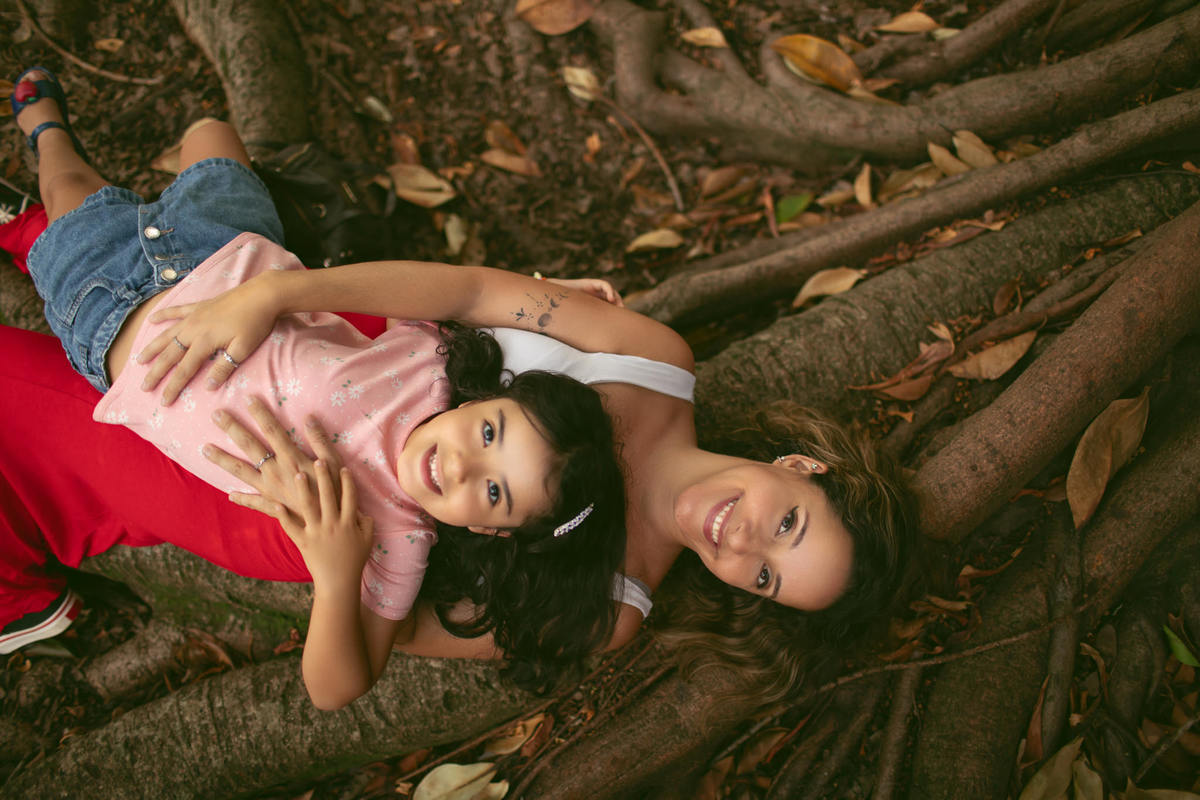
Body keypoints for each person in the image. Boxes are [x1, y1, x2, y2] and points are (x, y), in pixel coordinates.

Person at [2, 65, 916, 705]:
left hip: (284, 497)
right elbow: (474, 293)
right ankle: (75, 216)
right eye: (788, 522)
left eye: (763, 577)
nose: (744, 540)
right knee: (182, 202)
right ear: (800, 463)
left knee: (48, 398)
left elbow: (385, 638)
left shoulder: (608, 613)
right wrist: (277, 293)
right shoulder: (653, 363)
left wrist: (331, 559)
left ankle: (54, 216)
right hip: (325, 326)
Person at [3, 67, 627, 709]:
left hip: (110, 314)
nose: (463, 463)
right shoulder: (431, 362)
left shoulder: (397, 539)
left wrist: (334, 577)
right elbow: (457, 293)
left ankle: (45, 129)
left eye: (495, 493)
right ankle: (174, 147)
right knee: (209, 133)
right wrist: (546, 295)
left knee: (67, 185)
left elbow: (336, 691)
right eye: (490, 431)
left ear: (495, 534)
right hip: (223, 245)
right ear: (489, 397)